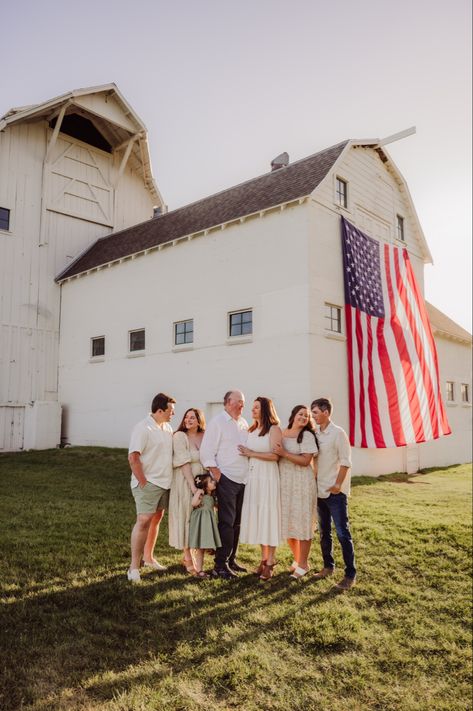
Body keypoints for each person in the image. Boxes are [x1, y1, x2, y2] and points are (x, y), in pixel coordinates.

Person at [127, 392, 176, 583]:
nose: (173, 414)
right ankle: (133, 567)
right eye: (171, 411)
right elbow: (133, 457)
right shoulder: (143, 428)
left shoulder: (167, 427)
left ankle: (148, 558)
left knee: (156, 519)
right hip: (148, 483)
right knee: (144, 520)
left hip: (165, 482)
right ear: (160, 410)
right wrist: (143, 481)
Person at [200, 390, 249, 579]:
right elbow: (206, 453)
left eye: (243, 402)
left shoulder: (244, 423)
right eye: (239, 402)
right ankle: (220, 565)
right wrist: (219, 476)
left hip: (243, 480)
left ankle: (231, 560)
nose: (242, 405)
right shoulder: (217, 423)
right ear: (228, 402)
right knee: (226, 523)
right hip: (227, 479)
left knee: (237, 523)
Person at [311, 398, 356, 591]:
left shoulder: (338, 433)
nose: (312, 416)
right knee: (324, 533)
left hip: (335, 492)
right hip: (319, 490)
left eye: (315, 412)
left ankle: (350, 574)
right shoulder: (313, 434)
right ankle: (328, 566)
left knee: (342, 533)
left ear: (326, 412)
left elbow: (346, 462)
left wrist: (338, 484)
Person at [238, 396, 282, 581]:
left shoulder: (274, 429)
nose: (252, 410)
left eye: (256, 408)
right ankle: (263, 559)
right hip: (253, 477)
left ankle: (271, 562)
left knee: (268, 517)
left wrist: (252, 454)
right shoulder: (251, 429)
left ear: (265, 409)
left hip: (268, 477)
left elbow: (276, 456)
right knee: (258, 517)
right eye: (253, 407)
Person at [274, 405, 318, 579]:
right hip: (285, 484)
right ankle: (297, 559)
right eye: (301, 414)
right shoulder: (283, 433)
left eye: (307, 416)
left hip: (301, 483)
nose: (304, 417)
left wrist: (284, 453)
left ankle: (304, 563)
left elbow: (306, 461)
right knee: (289, 524)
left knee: (303, 524)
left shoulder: (306, 435)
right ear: (293, 415)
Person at [168, 408, 206, 575]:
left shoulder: (205, 435)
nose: (188, 420)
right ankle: (187, 556)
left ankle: (199, 556)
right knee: (186, 516)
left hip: (203, 481)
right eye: (186, 417)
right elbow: (184, 462)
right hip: (185, 481)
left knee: (200, 518)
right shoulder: (179, 436)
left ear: (199, 420)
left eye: (193, 417)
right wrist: (193, 487)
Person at [188, 472, 222, 578]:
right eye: (211, 481)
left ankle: (205, 566)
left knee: (203, 546)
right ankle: (199, 570)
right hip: (200, 523)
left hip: (208, 523)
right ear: (204, 485)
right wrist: (198, 492)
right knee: (200, 548)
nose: (214, 482)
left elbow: (217, 507)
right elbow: (193, 503)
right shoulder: (200, 494)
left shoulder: (212, 496)